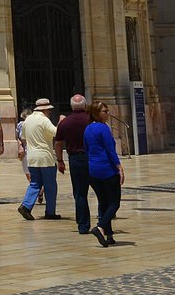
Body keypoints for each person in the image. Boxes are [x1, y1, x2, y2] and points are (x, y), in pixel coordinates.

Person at [85, 100, 124, 246]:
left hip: (93, 170)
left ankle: (109, 235)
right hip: (107, 169)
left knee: (103, 202)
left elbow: (87, 149)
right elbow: (110, 150)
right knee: (114, 202)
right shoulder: (103, 128)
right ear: (97, 113)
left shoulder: (87, 129)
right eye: (105, 111)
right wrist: (119, 167)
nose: (107, 114)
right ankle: (100, 227)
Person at [18, 98, 63, 220]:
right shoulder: (44, 120)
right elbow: (57, 133)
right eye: (49, 110)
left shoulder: (27, 120)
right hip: (45, 157)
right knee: (50, 185)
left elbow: (23, 137)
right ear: (46, 110)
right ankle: (50, 211)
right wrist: (61, 122)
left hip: (32, 157)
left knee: (35, 183)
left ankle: (26, 206)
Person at [54, 94, 92, 234]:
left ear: (71, 106)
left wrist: (60, 161)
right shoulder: (91, 120)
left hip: (75, 159)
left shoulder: (65, 122)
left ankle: (83, 225)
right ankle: (104, 221)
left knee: (80, 193)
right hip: (92, 158)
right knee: (101, 190)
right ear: (85, 105)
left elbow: (58, 144)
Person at [16, 105, 32, 181]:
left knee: (32, 171)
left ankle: (37, 189)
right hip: (25, 149)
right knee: (26, 171)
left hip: (32, 149)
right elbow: (18, 137)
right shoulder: (20, 125)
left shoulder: (33, 124)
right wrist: (20, 146)